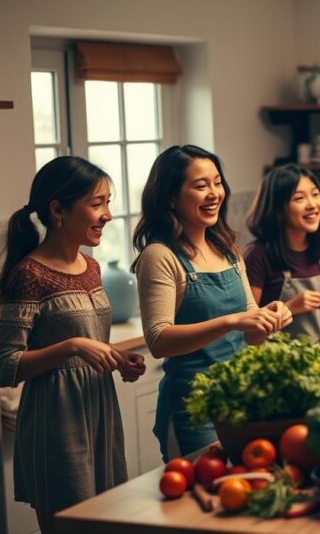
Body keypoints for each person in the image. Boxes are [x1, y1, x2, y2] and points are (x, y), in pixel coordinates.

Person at [0, 157, 145, 534]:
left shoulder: (90, 267)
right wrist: (73, 347)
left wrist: (117, 360)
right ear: (58, 210)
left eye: (108, 202)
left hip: (99, 411)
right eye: (97, 203)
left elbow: (88, 341)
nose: (107, 214)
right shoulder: (28, 275)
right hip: (55, 422)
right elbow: (4, 366)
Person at [132, 145, 292, 462]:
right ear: (170, 197)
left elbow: (251, 335)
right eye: (200, 185)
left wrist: (270, 317)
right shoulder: (159, 255)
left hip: (239, 401)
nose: (214, 193)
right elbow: (159, 340)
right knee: (195, 502)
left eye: (217, 182)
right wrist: (232, 321)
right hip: (193, 407)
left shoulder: (227, 248)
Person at [244, 164, 320, 340]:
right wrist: (290, 307)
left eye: (315, 194)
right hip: (273, 362)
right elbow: (249, 334)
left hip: (317, 360)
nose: (312, 205)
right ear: (278, 210)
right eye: (299, 198)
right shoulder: (257, 255)